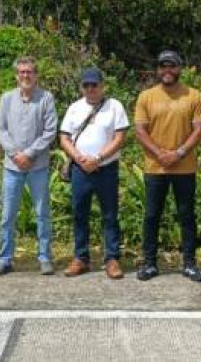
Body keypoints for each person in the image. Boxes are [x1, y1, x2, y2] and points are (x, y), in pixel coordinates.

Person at [134, 50, 201, 282]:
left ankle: (189, 264)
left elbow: (200, 129)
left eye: (172, 66)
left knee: (186, 215)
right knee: (152, 215)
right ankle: (149, 263)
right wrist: (160, 154)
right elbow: (140, 130)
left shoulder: (194, 96)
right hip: (155, 168)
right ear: (157, 70)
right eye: (163, 66)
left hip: (185, 167)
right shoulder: (146, 96)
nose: (167, 71)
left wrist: (178, 153)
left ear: (179, 69)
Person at [59, 67, 130, 279]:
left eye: (94, 85)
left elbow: (120, 138)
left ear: (102, 85)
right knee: (80, 213)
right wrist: (80, 159)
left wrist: (97, 158)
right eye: (86, 85)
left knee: (110, 214)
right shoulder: (74, 108)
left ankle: (112, 258)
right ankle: (81, 258)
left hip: (106, 168)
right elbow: (64, 138)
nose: (90, 89)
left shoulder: (114, 106)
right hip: (81, 169)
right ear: (82, 87)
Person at [0, 57, 59, 276]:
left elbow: (50, 131)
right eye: (22, 72)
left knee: (42, 213)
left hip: (38, 165)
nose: (26, 76)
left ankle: (45, 257)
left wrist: (29, 154)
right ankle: (5, 258)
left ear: (36, 75)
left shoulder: (46, 98)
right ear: (16, 75)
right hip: (12, 166)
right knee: (8, 215)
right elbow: (0, 129)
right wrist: (15, 154)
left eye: (29, 72)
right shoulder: (6, 98)